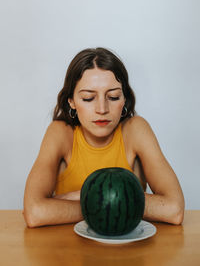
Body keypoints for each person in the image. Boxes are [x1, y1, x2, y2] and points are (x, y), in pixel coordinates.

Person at [23, 47, 184, 228]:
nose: (102, 109)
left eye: (113, 97)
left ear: (125, 99)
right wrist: (117, 203)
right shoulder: (60, 133)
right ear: (72, 101)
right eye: (88, 98)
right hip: (70, 251)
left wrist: (82, 196)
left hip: (128, 250)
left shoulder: (136, 130)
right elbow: (35, 213)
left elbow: (174, 210)